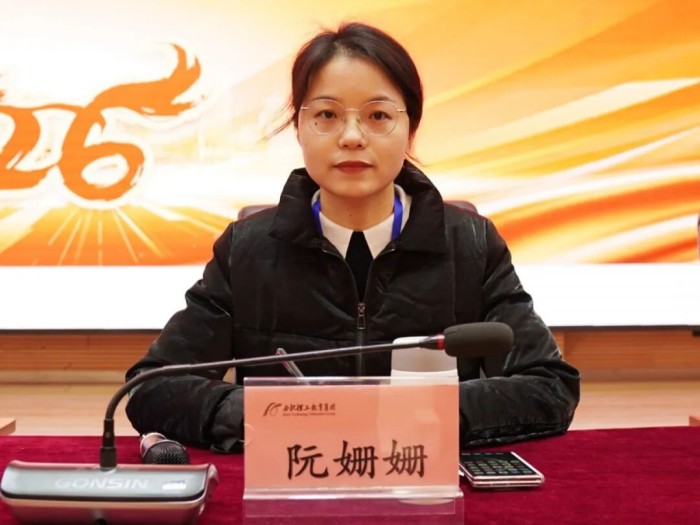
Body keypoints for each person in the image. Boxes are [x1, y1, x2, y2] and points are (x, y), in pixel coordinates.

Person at [125, 22, 580, 452]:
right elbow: (151, 387)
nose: (352, 136)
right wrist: (272, 414)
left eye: (378, 115)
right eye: (327, 114)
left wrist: (427, 414)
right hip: (295, 479)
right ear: (299, 128)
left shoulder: (471, 245)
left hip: (423, 482)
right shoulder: (247, 249)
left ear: (410, 129)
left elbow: (549, 386)